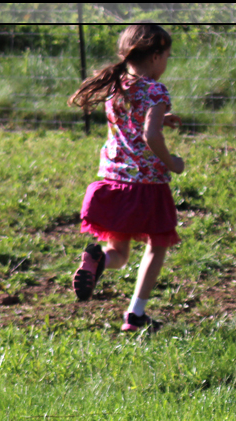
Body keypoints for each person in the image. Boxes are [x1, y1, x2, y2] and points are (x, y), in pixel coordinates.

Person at [67, 23, 184, 332]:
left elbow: (131, 118)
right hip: (147, 186)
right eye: (168, 56)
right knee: (157, 246)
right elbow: (149, 134)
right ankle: (135, 315)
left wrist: (161, 117)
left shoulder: (118, 83)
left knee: (118, 252)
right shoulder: (157, 90)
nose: (167, 63)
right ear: (157, 55)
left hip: (115, 180)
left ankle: (98, 260)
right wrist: (171, 162)